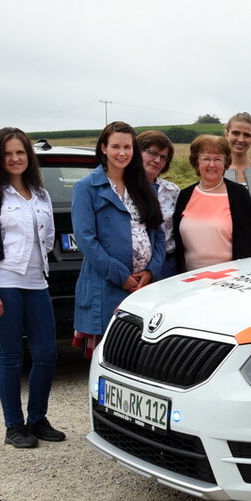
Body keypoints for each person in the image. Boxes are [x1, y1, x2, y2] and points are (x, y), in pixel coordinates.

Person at [0, 127, 63, 448]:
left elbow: (47, 237)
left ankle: (37, 419)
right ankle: (14, 427)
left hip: (36, 283)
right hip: (3, 283)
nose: (15, 158)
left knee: (47, 354)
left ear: (28, 156)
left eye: (20, 152)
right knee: (10, 358)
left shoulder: (41, 193)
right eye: (7, 153)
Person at [72, 121, 165, 355]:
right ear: (103, 148)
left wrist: (152, 270)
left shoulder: (144, 186)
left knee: (142, 358)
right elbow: (86, 240)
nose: (122, 153)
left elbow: (158, 234)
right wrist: (120, 275)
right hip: (107, 286)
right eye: (115, 147)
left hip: (144, 286)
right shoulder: (87, 188)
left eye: (127, 147)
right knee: (109, 358)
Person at [172, 135, 251, 273]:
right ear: (196, 162)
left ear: (225, 163)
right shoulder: (184, 195)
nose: (211, 164)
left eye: (217, 159)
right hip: (189, 279)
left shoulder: (239, 194)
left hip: (229, 279)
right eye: (206, 158)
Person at [138, 130, 180, 279]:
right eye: (152, 153)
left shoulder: (172, 191)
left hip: (166, 266)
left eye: (163, 157)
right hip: (133, 269)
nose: (157, 160)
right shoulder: (122, 189)